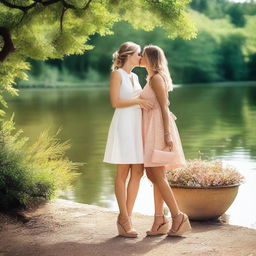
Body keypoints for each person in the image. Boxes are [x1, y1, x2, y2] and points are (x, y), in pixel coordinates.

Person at [140, 45, 191, 236]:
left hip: (159, 129)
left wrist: (167, 134)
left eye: (142, 55)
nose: (139, 57)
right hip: (151, 126)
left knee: (157, 176)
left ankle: (178, 216)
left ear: (150, 58)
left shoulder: (156, 78)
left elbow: (163, 107)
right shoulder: (150, 78)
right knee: (155, 176)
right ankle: (159, 220)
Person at [103, 42, 153, 238]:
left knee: (138, 172)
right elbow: (115, 102)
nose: (141, 57)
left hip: (136, 125)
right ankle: (124, 219)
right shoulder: (118, 75)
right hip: (124, 125)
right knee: (122, 172)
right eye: (139, 53)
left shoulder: (135, 76)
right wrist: (139, 101)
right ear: (130, 55)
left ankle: (126, 217)